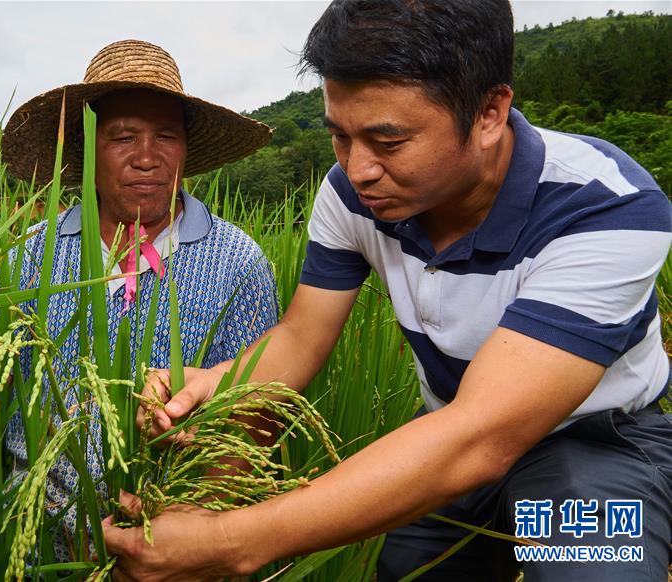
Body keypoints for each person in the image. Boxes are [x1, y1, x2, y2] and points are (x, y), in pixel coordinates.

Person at [103, 2, 672, 580]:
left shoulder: (605, 207)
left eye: (388, 140)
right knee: (408, 568)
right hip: (445, 436)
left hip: (591, 441)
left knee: (594, 569)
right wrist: (223, 382)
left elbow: (485, 437)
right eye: (340, 136)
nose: (358, 168)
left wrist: (232, 540)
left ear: (489, 113)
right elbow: (300, 337)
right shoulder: (354, 194)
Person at [0, 39, 279, 562]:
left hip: (168, 542)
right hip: (28, 541)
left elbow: (258, 420)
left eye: (166, 137)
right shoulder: (32, 254)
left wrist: (195, 535)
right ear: (86, 147)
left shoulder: (238, 262)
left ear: (186, 150)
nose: (147, 158)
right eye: (123, 137)